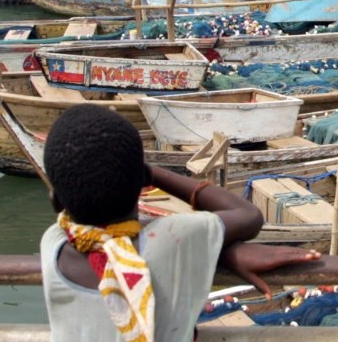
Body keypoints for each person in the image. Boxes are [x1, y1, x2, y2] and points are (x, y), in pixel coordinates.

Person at [41, 105, 320, 341]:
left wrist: (213, 249)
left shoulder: (52, 244)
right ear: (141, 184)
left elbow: (109, 243)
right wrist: (224, 253)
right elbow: (249, 215)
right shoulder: (174, 237)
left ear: (56, 203)